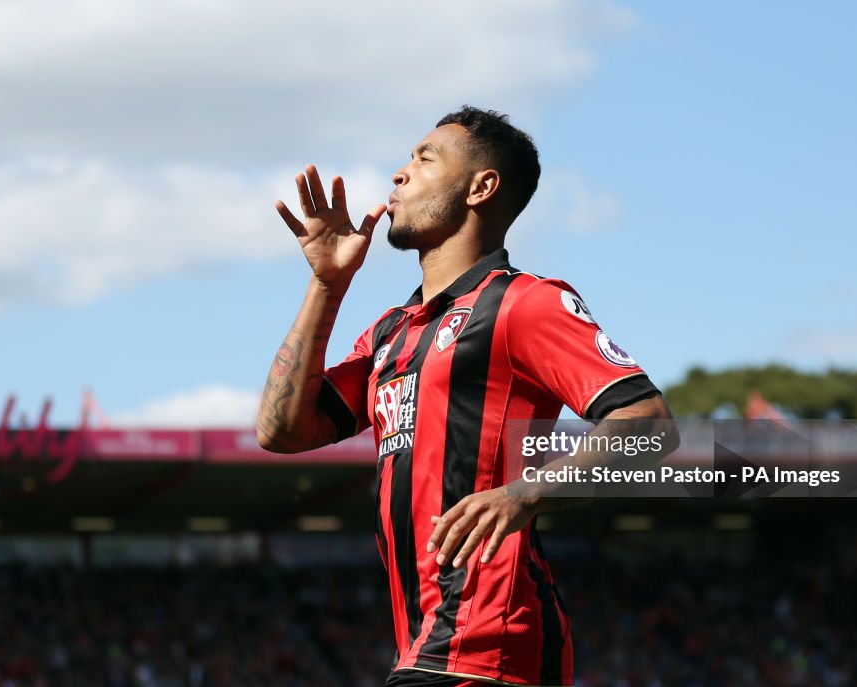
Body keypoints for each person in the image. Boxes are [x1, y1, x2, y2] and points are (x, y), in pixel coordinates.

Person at [257, 106, 677, 687]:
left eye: (425, 159)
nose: (400, 175)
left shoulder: (525, 303)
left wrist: (524, 493)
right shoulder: (389, 334)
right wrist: (327, 284)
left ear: (482, 187)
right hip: (423, 652)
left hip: (491, 648)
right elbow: (282, 431)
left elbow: (650, 426)